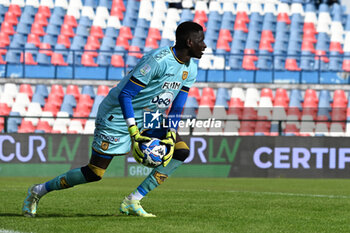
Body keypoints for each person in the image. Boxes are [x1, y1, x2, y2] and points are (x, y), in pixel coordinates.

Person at [22, 21, 206, 218]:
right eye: (201, 41)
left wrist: (170, 132)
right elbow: (125, 94)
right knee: (94, 173)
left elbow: (177, 106)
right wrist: (134, 131)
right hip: (117, 114)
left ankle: (133, 201)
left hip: (148, 114)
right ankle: (38, 191)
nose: (204, 45)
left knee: (180, 152)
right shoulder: (158, 61)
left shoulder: (191, 68)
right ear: (189, 42)